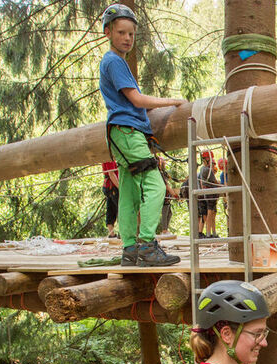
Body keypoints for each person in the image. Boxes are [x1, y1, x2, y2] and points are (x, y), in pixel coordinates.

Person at [99, 4, 183, 266]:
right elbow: (136, 99)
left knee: (129, 192)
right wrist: (170, 101)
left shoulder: (114, 62)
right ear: (108, 32)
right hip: (127, 132)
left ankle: (130, 250)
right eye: (121, 32)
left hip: (120, 134)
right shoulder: (113, 61)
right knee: (156, 186)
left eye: (131, 34)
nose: (127, 38)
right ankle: (147, 245)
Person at [197, 150, 220, 238]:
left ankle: (212, 232)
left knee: (212, 213)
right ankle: (208, 233)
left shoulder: (204, 169)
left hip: (209, 193)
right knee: (210, 213)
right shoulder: (206, 169)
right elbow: (214, 181)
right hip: (210, 193)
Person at [102, 160, 120, 238]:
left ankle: (112, 234)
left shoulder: (106, 158)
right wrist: (120, 188)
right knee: (121, 208)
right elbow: (111, 174)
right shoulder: (109, 158)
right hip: (113, 186)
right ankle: (123, 233)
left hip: (109, 186)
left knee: (111, 208)